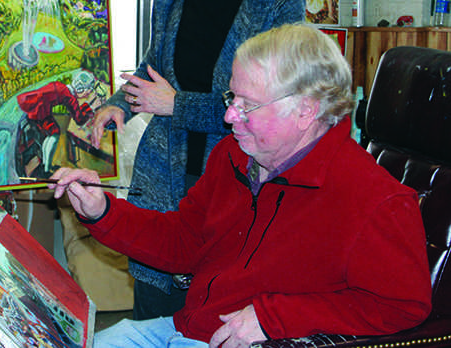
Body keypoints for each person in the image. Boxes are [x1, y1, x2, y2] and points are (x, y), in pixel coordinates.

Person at [54, 24, 432, 347]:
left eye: (247, 105)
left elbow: (401, 306)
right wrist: (102, 211)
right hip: (185, 328)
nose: (228, 115)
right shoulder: (233, 155)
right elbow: (184, 241)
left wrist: (274, 317)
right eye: (231, 96)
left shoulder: (377, 201)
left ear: (305, 111)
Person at [88, 0, 306, 319]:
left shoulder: (278, 6)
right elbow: (153, 70)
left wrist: (176, 105)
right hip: (163, 183)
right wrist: (117, 105)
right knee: (152, 316)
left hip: (234, 186)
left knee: (213, 316)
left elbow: (271, 113)